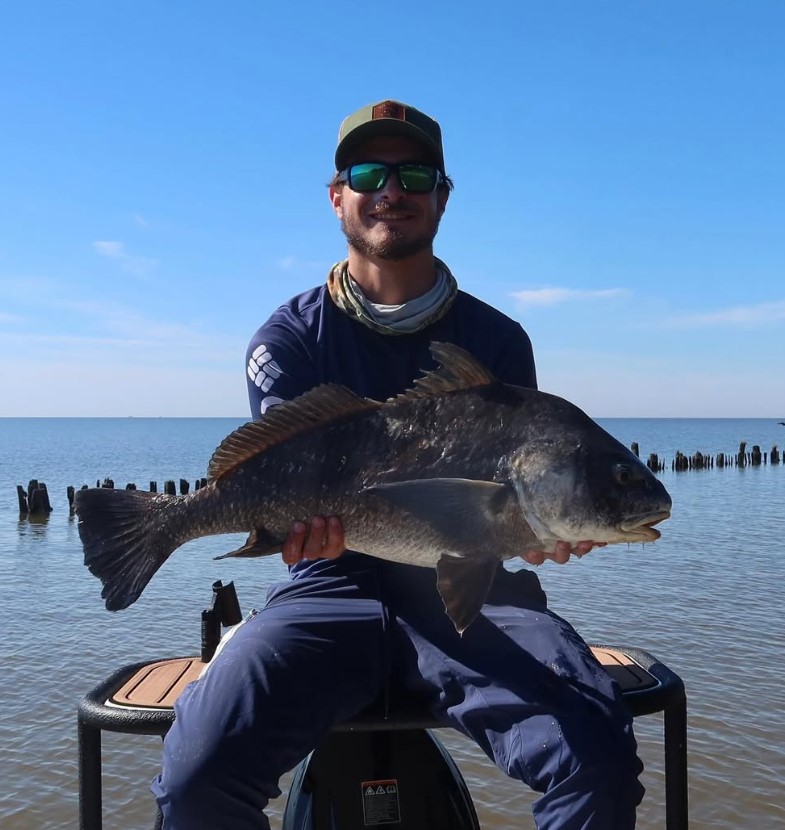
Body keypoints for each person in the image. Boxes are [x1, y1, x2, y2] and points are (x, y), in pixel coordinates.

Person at [152, 100, 644, 829]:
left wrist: (539, 530)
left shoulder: (497, 338)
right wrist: (279, 529)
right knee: (194, 777)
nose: (391, 189)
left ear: (441, 196)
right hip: (325, 586)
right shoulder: (286, 337)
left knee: (596, 762)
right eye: (368, 172)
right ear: (337, 195)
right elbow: (274, 467)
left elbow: (523, 501)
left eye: (414, 173)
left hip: (477, 591)